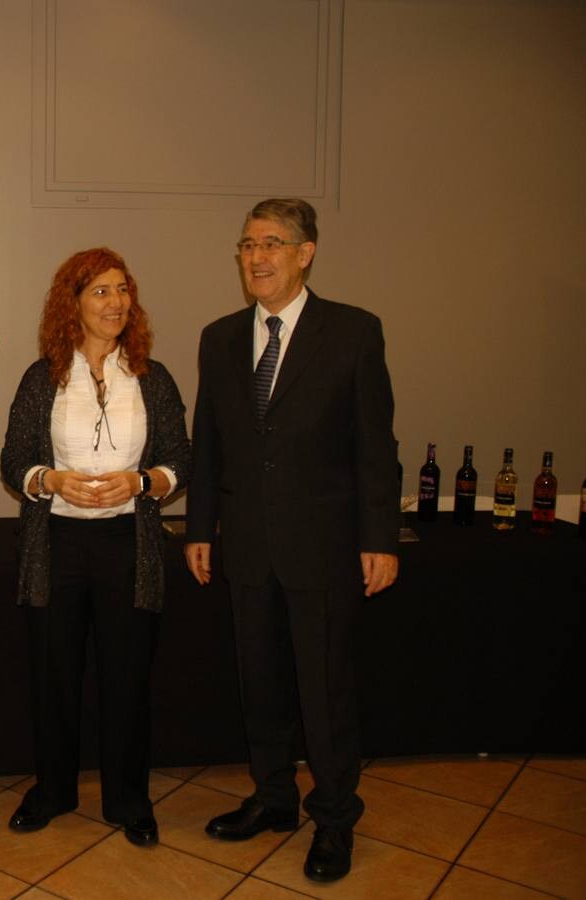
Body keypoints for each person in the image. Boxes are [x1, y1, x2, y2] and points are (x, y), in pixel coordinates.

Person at [184, 198, 398, 883]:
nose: (256, 257)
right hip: (245, 546)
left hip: (324, 548)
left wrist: (380, 538)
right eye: (247, 245)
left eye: (272, 244)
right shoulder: (218, 338)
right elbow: (208, 445)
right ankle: (273, 797)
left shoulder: (353, 333)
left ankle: (333, 817)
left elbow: (375, 446)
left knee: (323, 691)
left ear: (305, 253)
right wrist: (197, 528)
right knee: (262, 684)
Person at [0, 247, 191, 847]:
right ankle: (52, 791)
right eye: (101, 291)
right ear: (73, 304)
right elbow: (13, 463)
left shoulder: (153, 379)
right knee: (54, 678)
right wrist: (50, 480)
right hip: (55, 544)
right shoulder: (43, 377)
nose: (116, 302)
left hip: (128, 546)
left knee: (127, 679)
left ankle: (129, 800)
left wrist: (142, 482)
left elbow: (180, 461)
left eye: (122, 289)